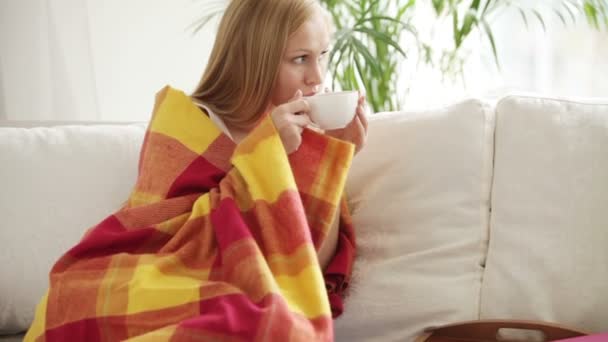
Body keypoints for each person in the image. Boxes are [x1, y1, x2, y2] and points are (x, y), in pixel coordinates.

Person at [25, 0, 367, 341]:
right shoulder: (185, 121)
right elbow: (169, 238)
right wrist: (264, 156)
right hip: (153, 278)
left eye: (322, 55)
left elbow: (311, 266)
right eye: (300, 59)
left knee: (277, 326)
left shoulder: (301, 136)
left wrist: (336, 156)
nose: (317, 77)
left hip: (242, 294)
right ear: (255, 60)